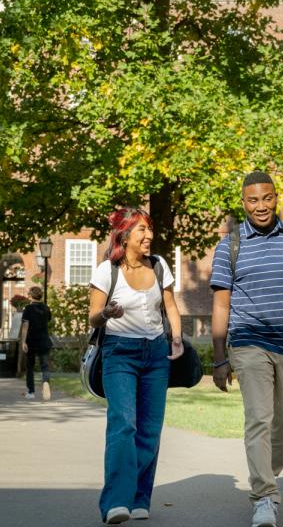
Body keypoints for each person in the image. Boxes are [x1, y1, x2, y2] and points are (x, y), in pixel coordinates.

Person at [210, 171, 283, 527]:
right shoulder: (229, 246)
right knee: (259, 418)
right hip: (248, 342)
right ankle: (264, 496)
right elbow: (220, 305)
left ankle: (267, 477)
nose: (261, 206)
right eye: (252, 200)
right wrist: (220, 357)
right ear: (243, 202)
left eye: (267, 198)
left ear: (276, 198)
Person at [89, 207, 184, 524]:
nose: (149, 235)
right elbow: (93, 315)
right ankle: (116, 502)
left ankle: (140, 498)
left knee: (150, 430)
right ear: (125, 235)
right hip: (119, 354)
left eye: (150, 228)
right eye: (142, 229)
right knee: (124, 424)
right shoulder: (107, 270)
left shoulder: (159, 265)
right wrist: (107, 314)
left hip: (156, 354)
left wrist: (178, 338)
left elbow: (170, 306)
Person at [20, 286, 53, 401]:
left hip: (31, 341)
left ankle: (31, 392)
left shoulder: (28, 308)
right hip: (44, 341)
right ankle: (45, 383)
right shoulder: (46, 308)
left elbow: (25, 326)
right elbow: (48, 321)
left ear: (30, 295)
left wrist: (23, 341)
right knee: (45, 367)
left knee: (30, 367)